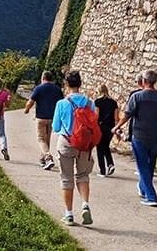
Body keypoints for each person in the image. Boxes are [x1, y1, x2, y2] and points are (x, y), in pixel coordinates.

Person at [111, 70, 157, 207]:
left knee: (142, 166)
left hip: (139, 136)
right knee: (150, 166)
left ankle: (151, 197)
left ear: (144, 81)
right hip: (156, 137)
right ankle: (143, 189)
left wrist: (116, 127)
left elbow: (127, 115)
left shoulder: (137, 97)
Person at [52, 71, 95, 226]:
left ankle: (69, 214)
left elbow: (56, 127)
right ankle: (85, 204)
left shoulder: (62, 103)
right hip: (84, 145)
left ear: (66, 84)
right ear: (80, 84)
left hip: (67, 142)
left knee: (66, 179)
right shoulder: (89, 103)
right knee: (83, 175)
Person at [24, 71, 64, 170]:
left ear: (43, 78)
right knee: (47, 139)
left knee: (41, 139)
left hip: (41, 117)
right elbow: (62, 103)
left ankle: (48, 157)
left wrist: (27, 109)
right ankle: (43, 159)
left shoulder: (39, 88)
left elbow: (31, 101)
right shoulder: (57, 89)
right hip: (52, 118)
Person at [94, 85, 119, 177]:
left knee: (99, 148)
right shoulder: (114, 102)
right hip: (110, 128)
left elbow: (96, 116)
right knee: (106, 146)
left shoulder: (97, 102)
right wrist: (116, 128)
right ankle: (110, 164)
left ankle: (102, 171)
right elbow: (116, 118)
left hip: (100, 127)